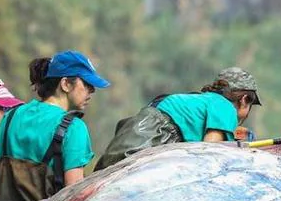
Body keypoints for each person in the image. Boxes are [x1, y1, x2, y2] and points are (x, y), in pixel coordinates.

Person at [0, 51, 109, 201]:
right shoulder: (73, 128)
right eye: (86, 84)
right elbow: (74, 195)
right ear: (65, 84)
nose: (91, 90)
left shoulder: (12, 116)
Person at [95, 67, 261, 170]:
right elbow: (210, 152)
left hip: (129, 136)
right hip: (150, 140)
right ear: (245, 99)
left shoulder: (199, 100)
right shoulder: (225, 107)